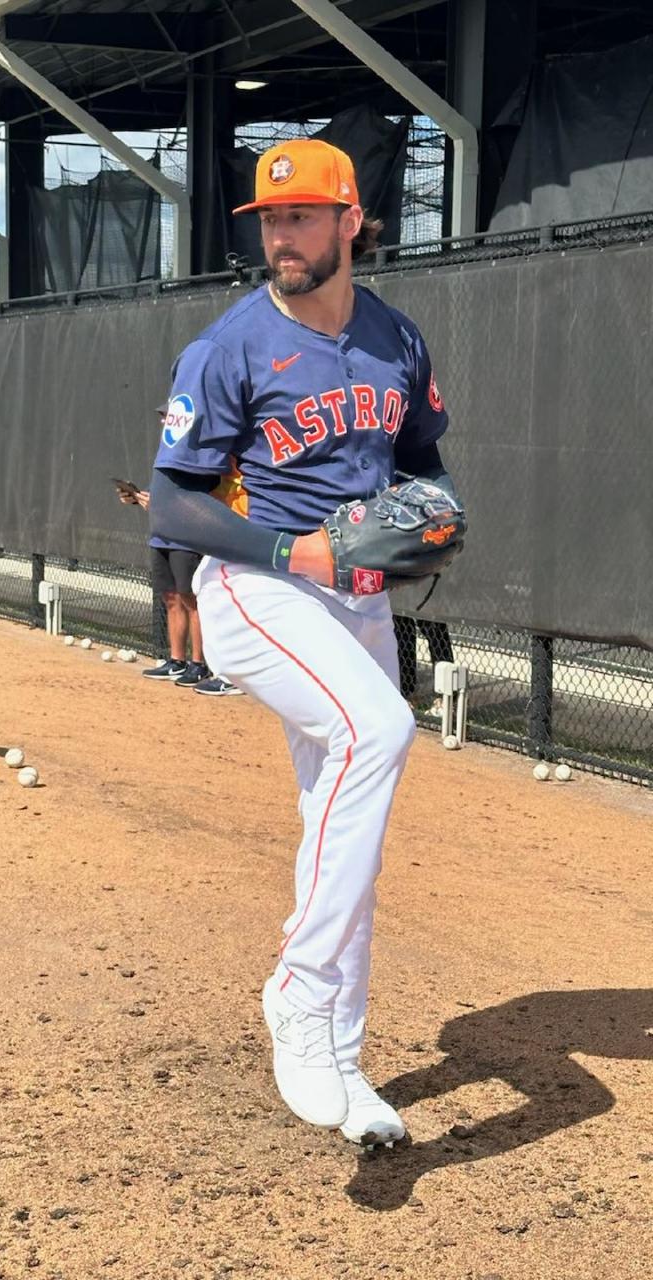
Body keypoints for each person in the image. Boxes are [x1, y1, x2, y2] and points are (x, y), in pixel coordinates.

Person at [148, 138, 457, 1146]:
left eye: (301, 216)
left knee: (345, 823)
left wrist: (427, 522)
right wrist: (292, 546)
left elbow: (425, 467)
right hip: (255, 585)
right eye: (269, 220)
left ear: (351, 220)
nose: (281, 235)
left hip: (356, 602)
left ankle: (340, 1055)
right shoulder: (229, 347)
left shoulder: (396, 342)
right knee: (380, 731)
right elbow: (170, 499)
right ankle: (298, 982)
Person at [118, 411, 241, 696]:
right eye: (162, 417)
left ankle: (199, 663)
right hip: (162, 535)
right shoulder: (168, 454)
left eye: (168, 417)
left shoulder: (201, 454)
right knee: (170, 598)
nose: (164, 422)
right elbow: (167, 491)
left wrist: (164, 506)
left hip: (186, 538)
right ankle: (177, 661)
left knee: (191, 599)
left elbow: (208, 496)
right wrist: (138, 498)